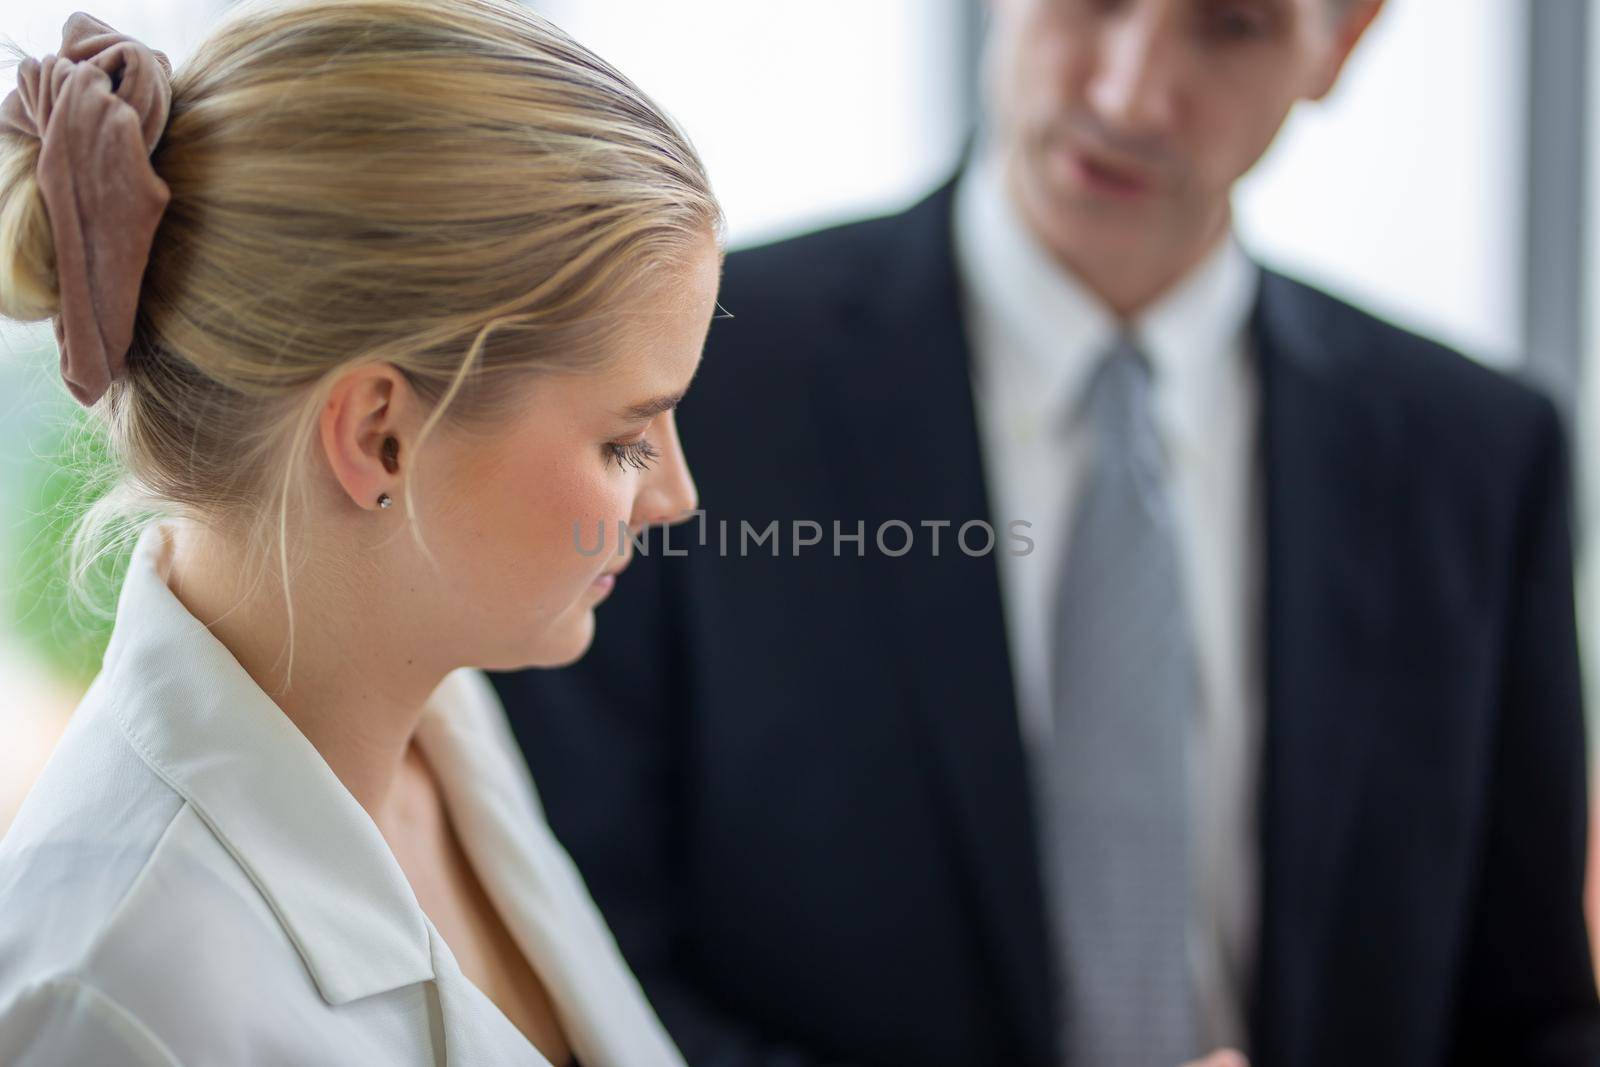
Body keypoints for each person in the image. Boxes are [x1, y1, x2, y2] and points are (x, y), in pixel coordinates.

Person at [494, 0, 1600, 1064]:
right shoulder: (690, 386)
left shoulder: (1476, 457)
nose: (1130, 92)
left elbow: (1526, 1007)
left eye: (1232, 23)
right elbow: (582, 960)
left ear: (1343, 38)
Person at [0, 2, 720, 1064]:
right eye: (623, 441)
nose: (676, 495)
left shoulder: (437, 721)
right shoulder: (114, 997)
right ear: (381, 437)